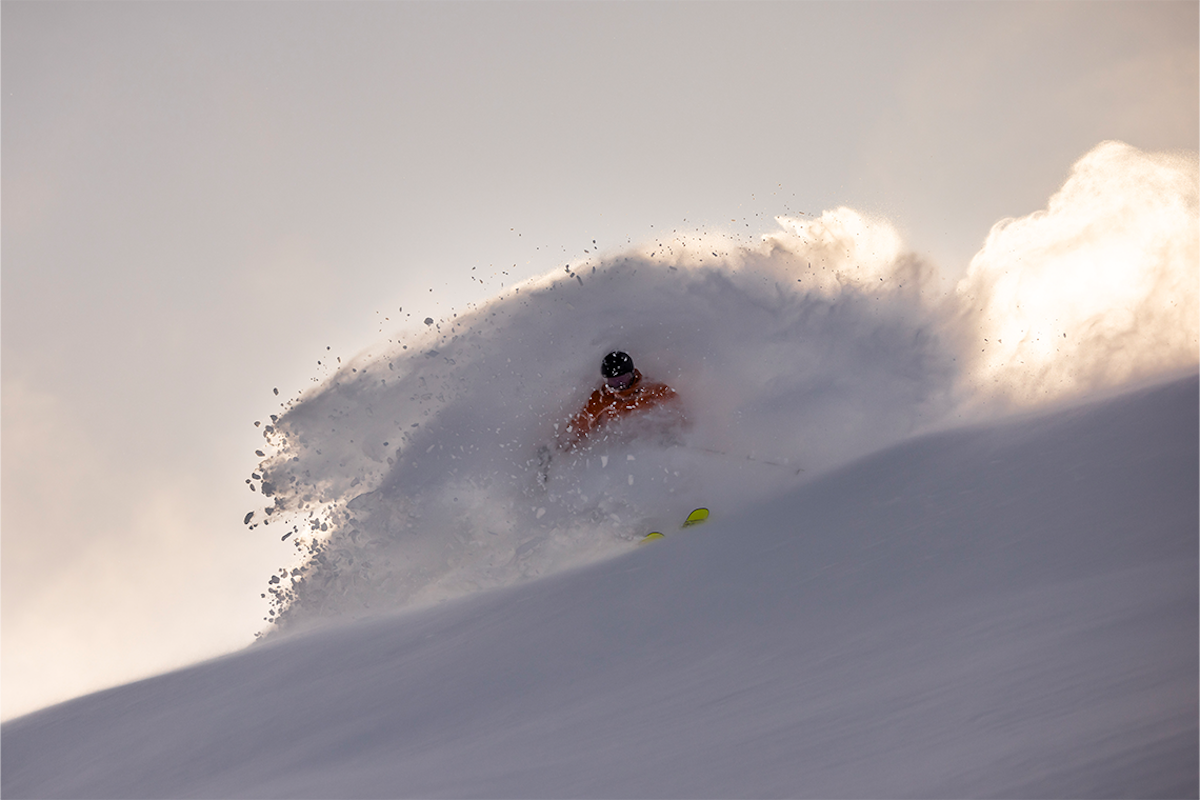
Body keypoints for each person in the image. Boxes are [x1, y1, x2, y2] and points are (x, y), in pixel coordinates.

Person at [555, 351, 685, 452]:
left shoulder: (651, 389)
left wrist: (679, 432)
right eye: (613, 381)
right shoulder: (601, 399)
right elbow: (580, 426)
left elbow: (679, 410)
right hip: (621, 446)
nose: (619, 385)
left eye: (623, 379)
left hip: (653, 440)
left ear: (632, 374)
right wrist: (558, 447)